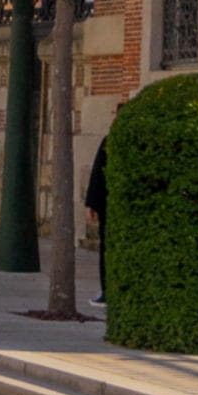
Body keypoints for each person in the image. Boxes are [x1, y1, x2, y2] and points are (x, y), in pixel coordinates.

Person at [83, 129, 110, 308]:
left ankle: (107, 291)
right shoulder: (109, 142)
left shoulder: (110, 141)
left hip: (109, 206)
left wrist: (92, 203)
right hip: (108, 206)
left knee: (107, 247)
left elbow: (98, 173)